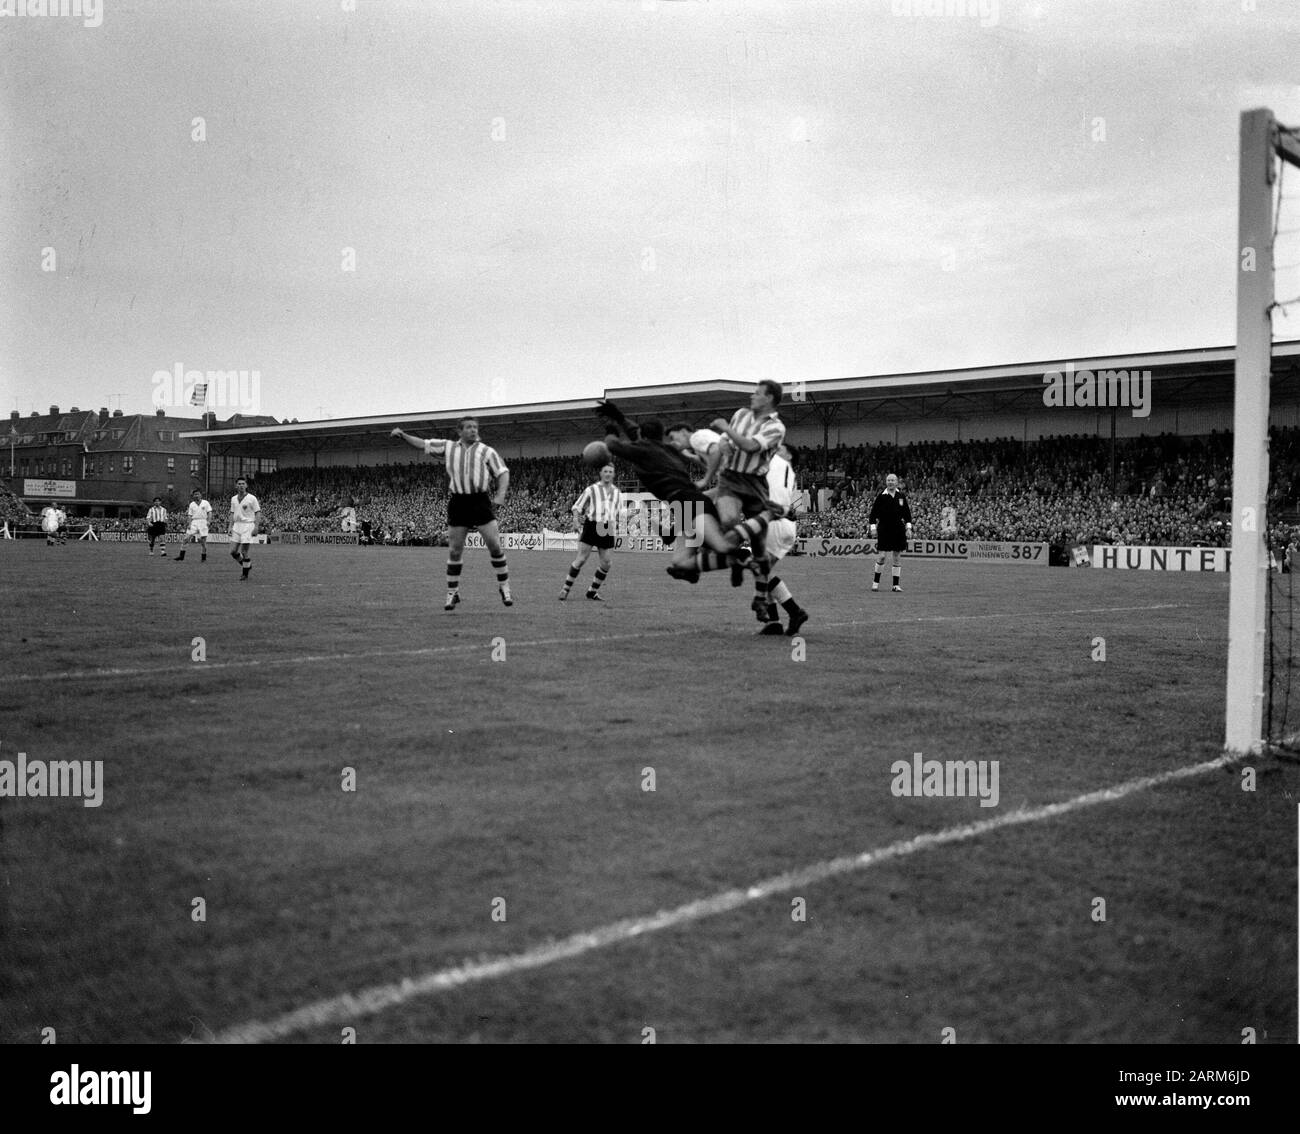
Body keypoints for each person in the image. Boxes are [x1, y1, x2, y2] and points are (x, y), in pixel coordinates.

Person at [594, 401, 778, 586]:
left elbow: (612, 445)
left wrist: (611, 430)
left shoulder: (644, 450)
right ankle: (735, 562)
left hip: (689, 502)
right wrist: (618, 416)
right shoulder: (666, 448)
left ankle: (768, 514)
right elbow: (634, 431)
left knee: (722, 546)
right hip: (683, 505)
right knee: (681, 563)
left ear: (643, 435)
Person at [391, 417, 513, 610]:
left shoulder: (486, 451)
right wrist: (403, 435)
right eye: (469, 427)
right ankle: (452, 593)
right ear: (460, 431)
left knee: (495, 546)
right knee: (455, 550)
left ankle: (504, 587)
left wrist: (500, 495)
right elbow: (423, 444)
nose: (473, 430)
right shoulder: (448, 447)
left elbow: (503, 472)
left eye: (475, 427)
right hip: (459, 502)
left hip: (480, 501)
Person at [708, 380, 786, 613]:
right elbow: (727, 441)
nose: (752, 397)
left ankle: (760, 598)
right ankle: (738, 559)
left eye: (757, 393)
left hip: (755, 485)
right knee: (729, 522)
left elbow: (751, 446)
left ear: (769, 398)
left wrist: (725, 428)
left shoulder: (776, 427)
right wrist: (723, 443)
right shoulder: (741, 414)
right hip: (730, 478)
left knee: (760, 549)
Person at [755, 445, 809, 637]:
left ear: (788, 456)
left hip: (775, 522)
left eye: (782, 449)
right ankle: (774, 622)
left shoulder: (777, 466)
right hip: (786, 525)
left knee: (759, 569)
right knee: (763, 572)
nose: (777, 450)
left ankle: (795, 611)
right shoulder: (787, 473)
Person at [560, 462, 622, 601]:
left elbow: (617, 512)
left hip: (606, 527)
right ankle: (566, 588)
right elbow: (577, 506)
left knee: (606, 562)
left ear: (613, 474)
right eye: (605, 471)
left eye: (610, 471)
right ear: (601, 473)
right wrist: (576, 520)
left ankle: (592, 592)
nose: (607, 474)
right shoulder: (592, 489)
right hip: (592, 525)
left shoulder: (617, 493)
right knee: (581, 559)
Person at [869, 473, 913, 592]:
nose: (890, 482)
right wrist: (873, 528)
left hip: (898, 529)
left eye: (893, 480)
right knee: (882, 556)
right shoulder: (881, 497)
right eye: (888, 480)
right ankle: (875, 583)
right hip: (884, 529)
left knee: (897, 557)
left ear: (897, 482)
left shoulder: (901, 496)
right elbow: (873, 515)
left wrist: (908, 528)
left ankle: (895, 585)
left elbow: (907, 514)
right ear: (886, 482)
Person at [229, 477, 261, 581]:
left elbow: (257, 512)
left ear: (246, 485)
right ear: (236, 486)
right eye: (239, 484)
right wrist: (230, 526)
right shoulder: (233, 499)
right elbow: (232, 513)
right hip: (237, 526)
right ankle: (247, 564)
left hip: (248, 525)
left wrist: (256, 526)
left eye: (243, 483)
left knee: (244, 551)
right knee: (233, 551)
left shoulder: (252, 498)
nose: (241, 485)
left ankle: (245, 574)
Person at [174, 489, 212, 562]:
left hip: (203, 521)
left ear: (201, 495)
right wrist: (189, 524)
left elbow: (209, 512)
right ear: (193, 496)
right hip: (194, 522)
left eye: (198, 494)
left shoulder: (205, 503)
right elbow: (190, 515)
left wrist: (209, 521)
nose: (196, 495)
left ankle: (203, 558)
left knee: (203, 542)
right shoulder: (192, 504)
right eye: (195, 494)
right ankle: (181, 556)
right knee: (186, 538)